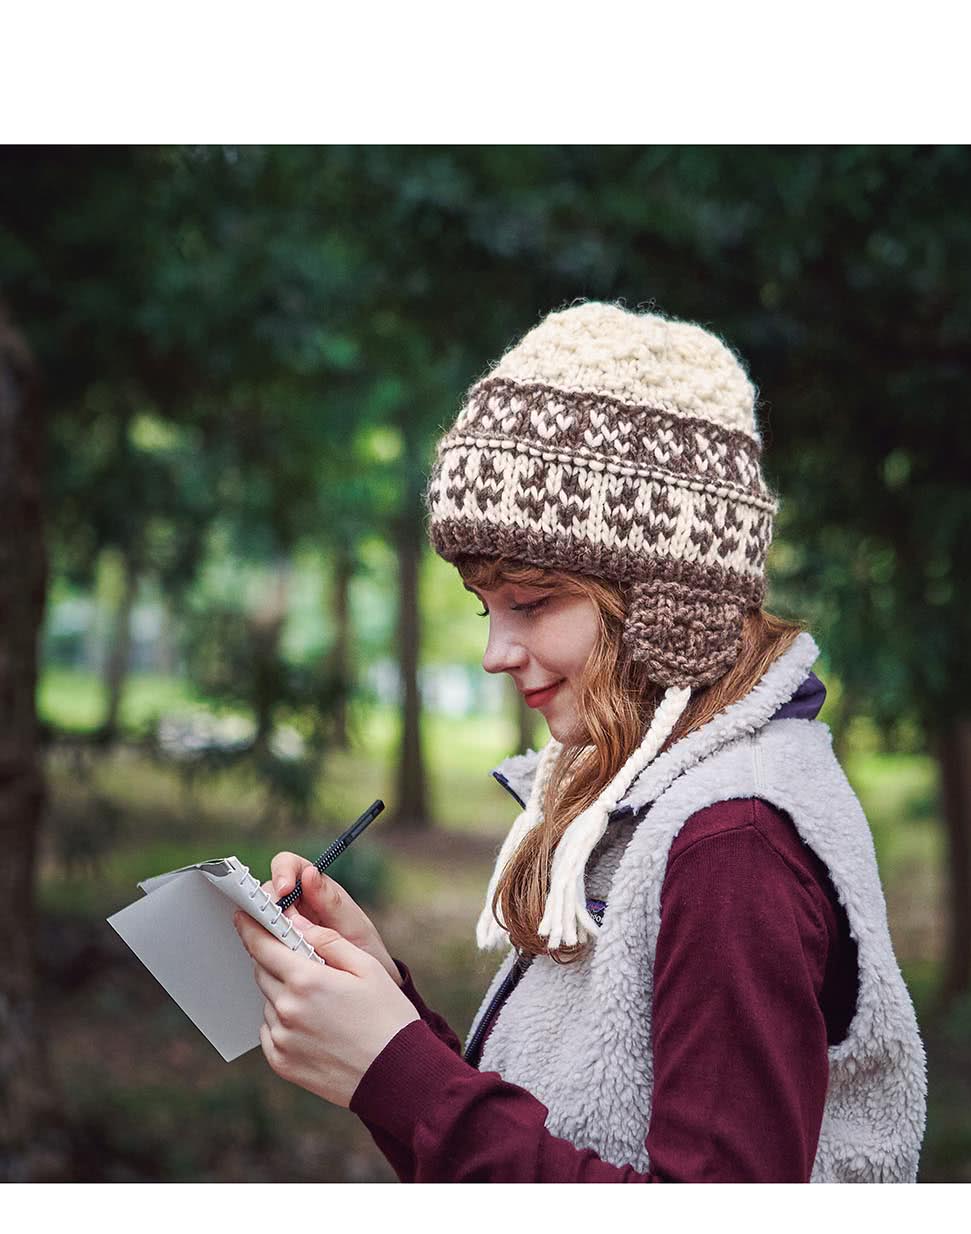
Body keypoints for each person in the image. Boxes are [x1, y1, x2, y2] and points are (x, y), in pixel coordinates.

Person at [233, 301, 927, 1182]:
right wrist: (385, 1005)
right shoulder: (639, 800)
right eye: (484, 607)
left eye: (531, 601)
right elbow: (561, 1132)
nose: (495, 652)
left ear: (667, 595)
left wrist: (396, 1073)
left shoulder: (733, 841)